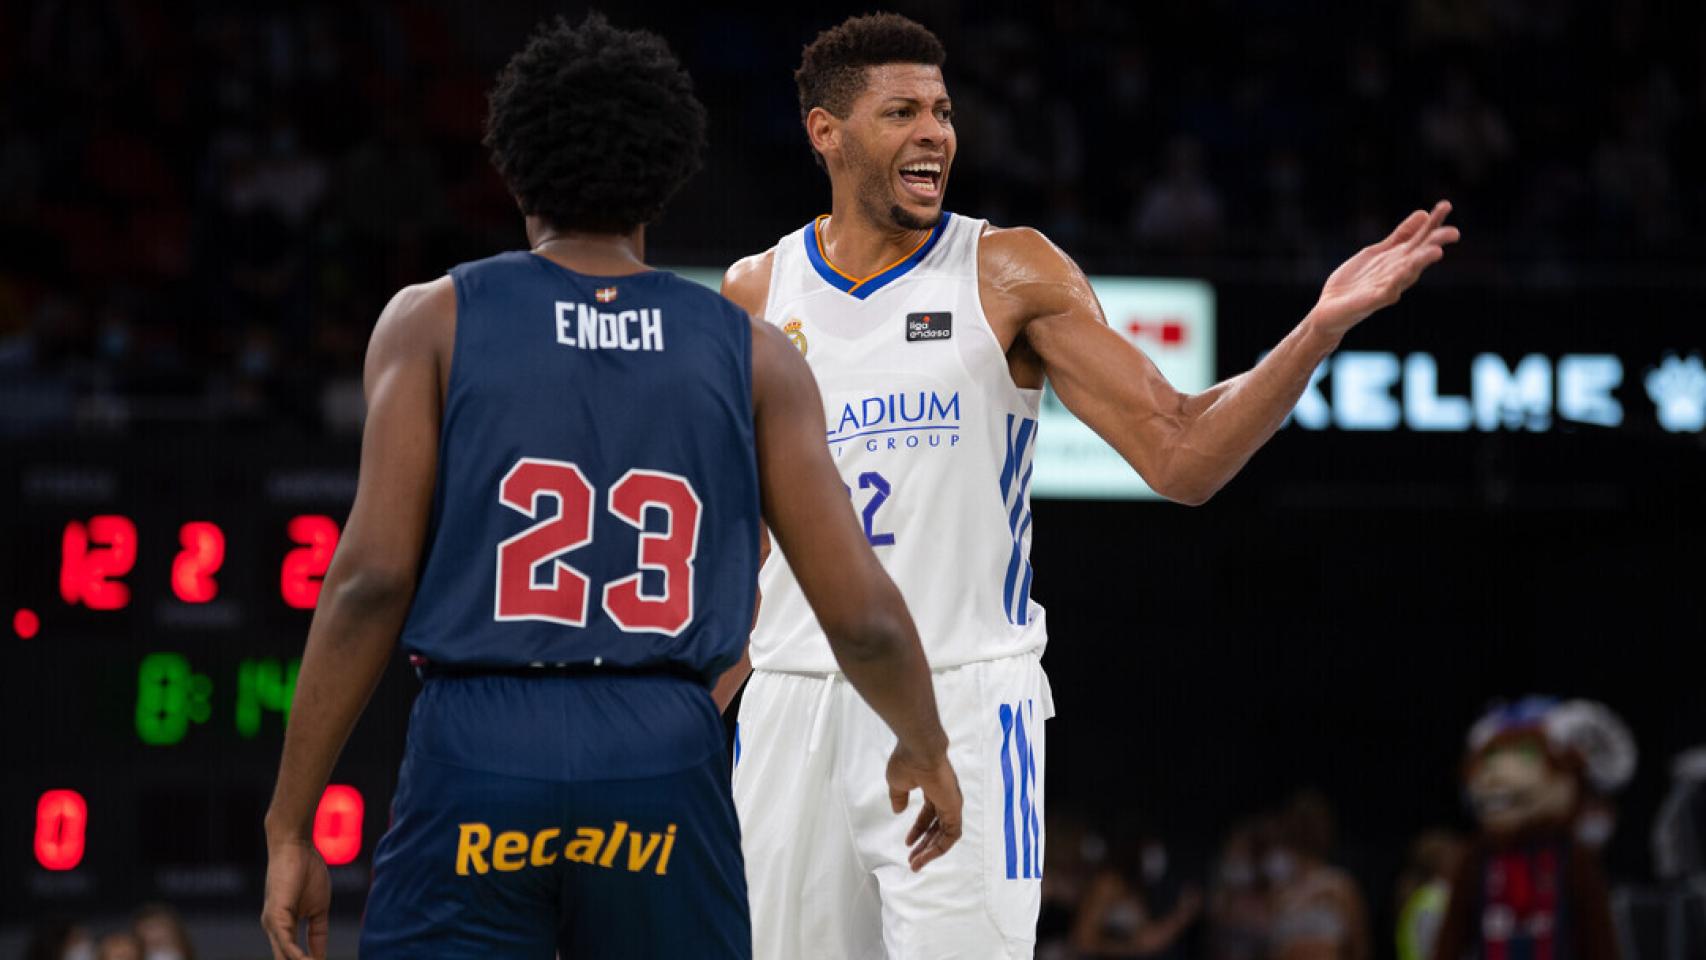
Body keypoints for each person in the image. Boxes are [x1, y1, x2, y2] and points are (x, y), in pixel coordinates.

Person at [718, 13, 1459, 958]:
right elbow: (743, 548)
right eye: (901, 111)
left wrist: (1316, 330)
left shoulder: (1008, 270)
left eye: (941, 111)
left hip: (963, 700)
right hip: (792, 700)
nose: (934, 133)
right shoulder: (754, 291)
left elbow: (1181, 455)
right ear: (826, 132)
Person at [259, 13, 961, 960]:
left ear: (512, 167)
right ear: (666, 176)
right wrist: (923, 743)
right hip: (659, 753)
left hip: (479, 746)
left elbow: (370, 580)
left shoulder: (432, 321)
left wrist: (292, 825)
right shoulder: (750, 353)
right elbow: (865, 616)